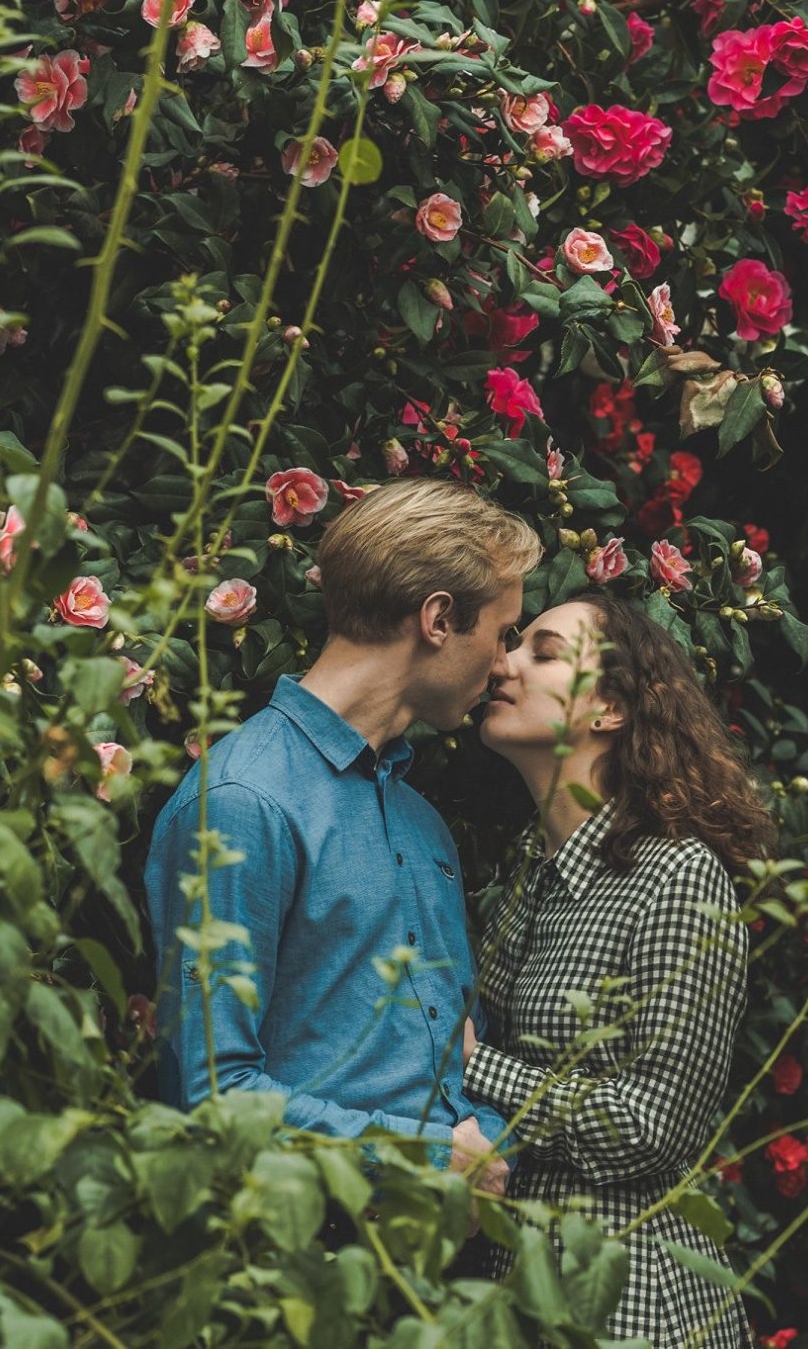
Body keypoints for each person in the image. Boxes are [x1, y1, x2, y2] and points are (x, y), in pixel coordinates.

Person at [143, 478, 539, 1191]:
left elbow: (454, 1071)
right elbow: (214, 1099)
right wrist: (421, 1159)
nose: (506, 662)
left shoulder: (422, 827)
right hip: (299, 1269)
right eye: (503, 632)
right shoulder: (243, 801)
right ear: (439, 618)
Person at [466, 593, 774, 1348]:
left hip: (627, 1294)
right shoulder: (527, 871)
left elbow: (651, 1129)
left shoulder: (677, 875)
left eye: (542, 651)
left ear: (609, 707)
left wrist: (477, 1067)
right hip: (517, 1278)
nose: (502, 662)